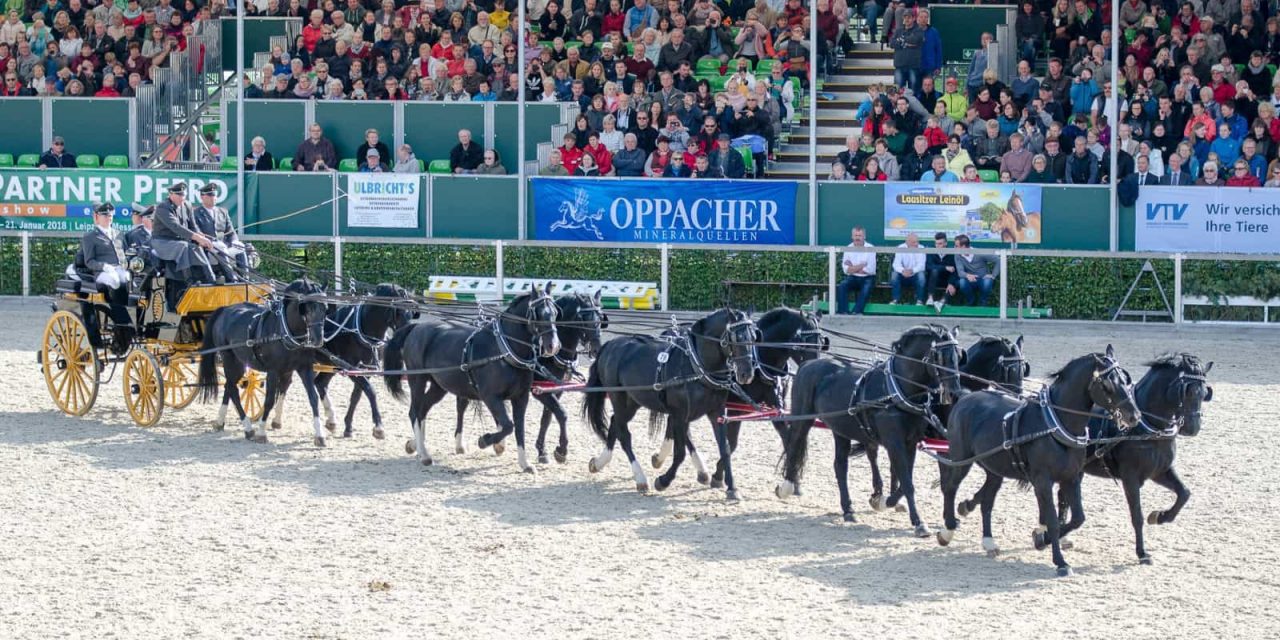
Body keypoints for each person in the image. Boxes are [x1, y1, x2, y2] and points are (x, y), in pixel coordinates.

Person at [76, 202, 133, 352]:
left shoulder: (119, 234)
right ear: (97, 217)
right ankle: (120, 316)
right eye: (105, 215)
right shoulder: (90, 237)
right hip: (102, 273)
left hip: (121, 269)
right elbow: (89, 261)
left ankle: (131, 314)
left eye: (110, 215)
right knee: (114, 280)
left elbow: (126, 254)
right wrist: (105, 267)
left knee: (129, 279)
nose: (108, 218)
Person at [151, 182, 216, 307]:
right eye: (179, 195)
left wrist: (201, 237)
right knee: (184, 247)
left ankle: (209, 278)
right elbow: (176, 227)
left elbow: (193, 225)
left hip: (181, 240)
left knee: (196, 246)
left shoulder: (187, 205)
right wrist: (196, 237)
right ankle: (189, 281)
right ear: (171, 195)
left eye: (184, 195)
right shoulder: (162, 208)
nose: (182, 198)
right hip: (162, 242)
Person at [192, 183, 244, 281]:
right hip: (209, 248)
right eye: (210, 195)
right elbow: (197, 232)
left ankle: (244, 278)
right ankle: (232, 279)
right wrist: (209, 241)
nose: (213, 198)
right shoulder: (196, 213)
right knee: (221, 247)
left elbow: (231, 231)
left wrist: (234, 241)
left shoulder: (223, 212)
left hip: (224, 247)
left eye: (215, 195)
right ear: (202, 197)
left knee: (240, 247)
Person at [835, 226, 875, 316]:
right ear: (852, 236)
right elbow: (846, 269)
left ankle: (856, 312)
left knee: (866, 289)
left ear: (864, 236)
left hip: (867, 278)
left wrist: (853, 268)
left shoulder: (871, 248)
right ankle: (843, 312)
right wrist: (862, 265)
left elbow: (871, 269)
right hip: (852, 277)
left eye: (860, 235)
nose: (857, 238)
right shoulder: (848, 248)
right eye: (855, 235)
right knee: (842, 286)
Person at [954, 234, 998, 306]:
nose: (954, 248)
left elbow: (998, 260)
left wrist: (993, 275)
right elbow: (960, 272)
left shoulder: (979, 253)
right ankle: (971, 301)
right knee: (962, 282)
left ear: (963, 247)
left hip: (983, 279)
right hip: (969, 280)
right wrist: (968, 275)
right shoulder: (957, 255)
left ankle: (983, 302)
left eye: (956, 246)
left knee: (988, 282)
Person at [891, 232, 926, 305]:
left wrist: (912, 271)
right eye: (914, 242)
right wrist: (903, 270)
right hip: (902, 274)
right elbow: (896, 264)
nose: (916, 244)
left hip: (915, 274)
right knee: (894, 275)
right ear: (907, 242)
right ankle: (895, 300)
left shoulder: (921, 248)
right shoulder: (900, 248)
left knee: (921, 276)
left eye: (917, 241)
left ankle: (919, 301)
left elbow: (921, 265)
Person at [925, 231, 957, 309]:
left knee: (955, 282)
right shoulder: (931, 252)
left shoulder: (952, 254)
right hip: (933, 280)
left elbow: (955, 270)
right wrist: (945, 268)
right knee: (934, 271)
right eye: (936, 243)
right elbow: (928, 266)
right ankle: (930, 298)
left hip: (946, 280)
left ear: (945, 243)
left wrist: (950, 283)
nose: (937, 246)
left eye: (940, 244)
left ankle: (942, 301)